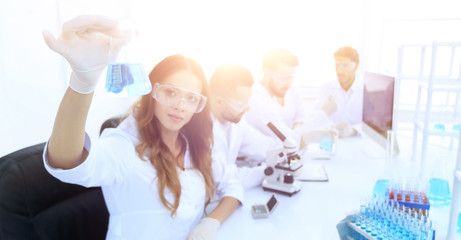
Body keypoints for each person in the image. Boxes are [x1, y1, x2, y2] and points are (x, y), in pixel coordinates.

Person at [41, 15, 243, 240]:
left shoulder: (194, 145)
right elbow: (66, 161)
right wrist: (82, 83)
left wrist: (211, 222)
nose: (180, 105)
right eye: (170, 92)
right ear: (152, 92)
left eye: (191, 98)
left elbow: (232, 186)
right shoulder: (125, 147)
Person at [209, 63, 278, 189]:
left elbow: (261, 145)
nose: (247, 108)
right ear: (219, 101)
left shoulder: (235, 122)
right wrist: (268, 171)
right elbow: (221, 177)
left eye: (248, 101)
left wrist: (284, 153)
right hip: (209, 199)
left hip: (228, 193)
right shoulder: (203, 130)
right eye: (241, 103)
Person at [244, 48, 308, 144]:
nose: (288, 85)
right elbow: (290, 140)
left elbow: (301, 118)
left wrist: (295, 129)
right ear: (266, 72)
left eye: (291, 77)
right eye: (284, 78)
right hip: (264, 155)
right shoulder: (257, 101)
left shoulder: (289, 89)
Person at [315, 46, 363, 137]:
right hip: (331, 139)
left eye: (345, 66)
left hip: (356, 140)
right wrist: (330, 125)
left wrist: (353, 131)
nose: (340, 70)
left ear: (356, 66)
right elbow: (316, 118)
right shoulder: (326, 88)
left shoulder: (367, 91)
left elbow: (373, 126)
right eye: (337, 65)